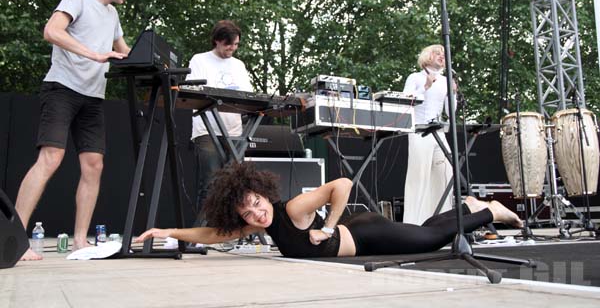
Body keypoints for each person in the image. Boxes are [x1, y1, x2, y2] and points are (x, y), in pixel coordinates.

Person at [14, 0, 137, 260]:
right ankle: (15, 238)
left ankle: (81, 241)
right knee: (51, 158)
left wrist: (161, 67)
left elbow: (128, 54)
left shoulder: (112, 17)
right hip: (62, 88)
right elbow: (52, 31)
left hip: (93, 98)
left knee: (94, 165)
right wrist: (93, 54)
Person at [135, 163, 522, 258]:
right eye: (248, 213)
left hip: (366, 234)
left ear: (265, 195)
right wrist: (165, 232)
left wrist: (328, 227)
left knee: (432, 240)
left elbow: (342, 185)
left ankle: (488, 210)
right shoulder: (260, 226)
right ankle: (467, 205)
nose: (256, 214)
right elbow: (212, 235)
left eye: (257, 203)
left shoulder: (293, 209)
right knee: (423, 229)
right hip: (359, 236)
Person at [185, 20, 252, 227]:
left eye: (236, 45)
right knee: (211, 182)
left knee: (234, 183)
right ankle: (203, 231)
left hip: (233, 131)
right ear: (217, 41)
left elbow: (248, 95)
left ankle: (230, 229)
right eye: (228, 44)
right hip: (207, 129)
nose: (232, 48)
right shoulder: (199, 60)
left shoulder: (239, 65)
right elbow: (192, 90)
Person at [402, 44, 457, 225]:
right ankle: (414, 224)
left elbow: (450, 112)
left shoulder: (445, 80)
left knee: (446, 174)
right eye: (438, 53)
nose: (442, 56)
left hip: (439, 133)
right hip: (419, 132)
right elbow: (405, 103)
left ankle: (443, 222)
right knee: (419, 177)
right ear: (427, 56)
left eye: (444, 54)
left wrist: (453, 93)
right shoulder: (415, 77)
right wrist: (424, 87)